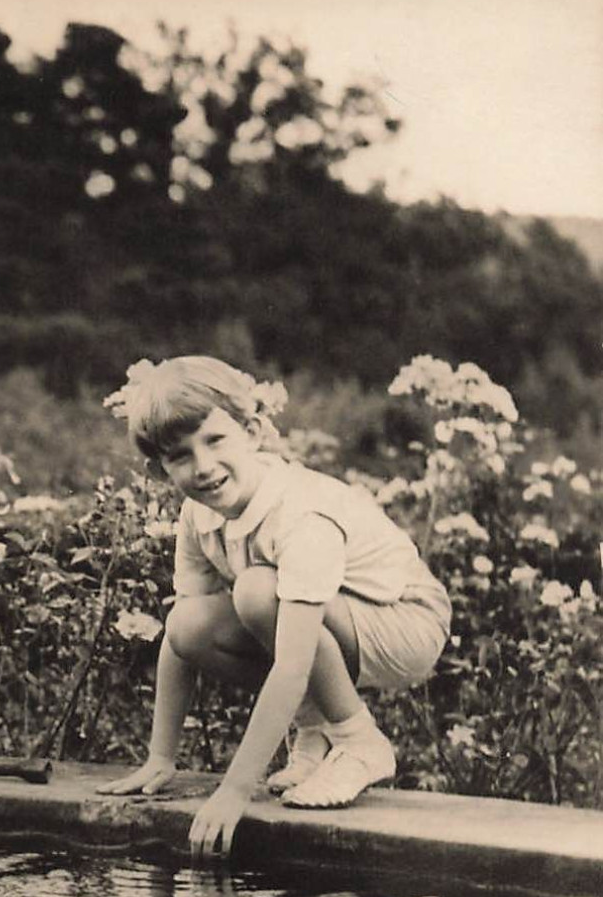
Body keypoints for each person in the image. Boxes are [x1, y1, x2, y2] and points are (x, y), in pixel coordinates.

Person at [96, 356, 451, 857]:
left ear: (253, 432)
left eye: (216, 440)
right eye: (180, 455)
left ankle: (357, 740)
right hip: (336, 623)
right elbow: (183, 637)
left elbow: (292, 661)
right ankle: (316, 731)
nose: (203, 466)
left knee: (259, 592)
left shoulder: (299, 516)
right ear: (159, 469)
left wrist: (235, 790)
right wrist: (161, 757)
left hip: (406, 621)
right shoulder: (197, 515)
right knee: (189, 625)